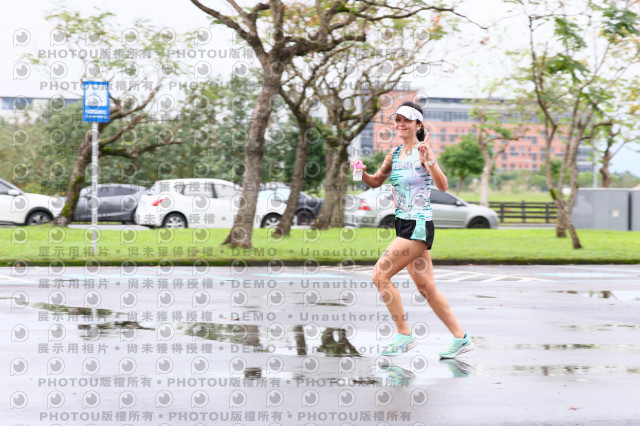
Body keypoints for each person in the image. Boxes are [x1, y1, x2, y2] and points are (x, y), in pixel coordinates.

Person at [351, 101, 474, 359]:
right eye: (397, 120)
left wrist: (431, 160)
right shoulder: (394, 154)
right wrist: (360, 173)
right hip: (402, 223)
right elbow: (376, 181)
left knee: (379, 275)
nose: (400, 124)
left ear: (418, 124)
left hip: (418, 225)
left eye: (406, 120)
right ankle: (461, 338)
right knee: (426, 287)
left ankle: (404, 334)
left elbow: (442, 185)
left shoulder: (422, 152)